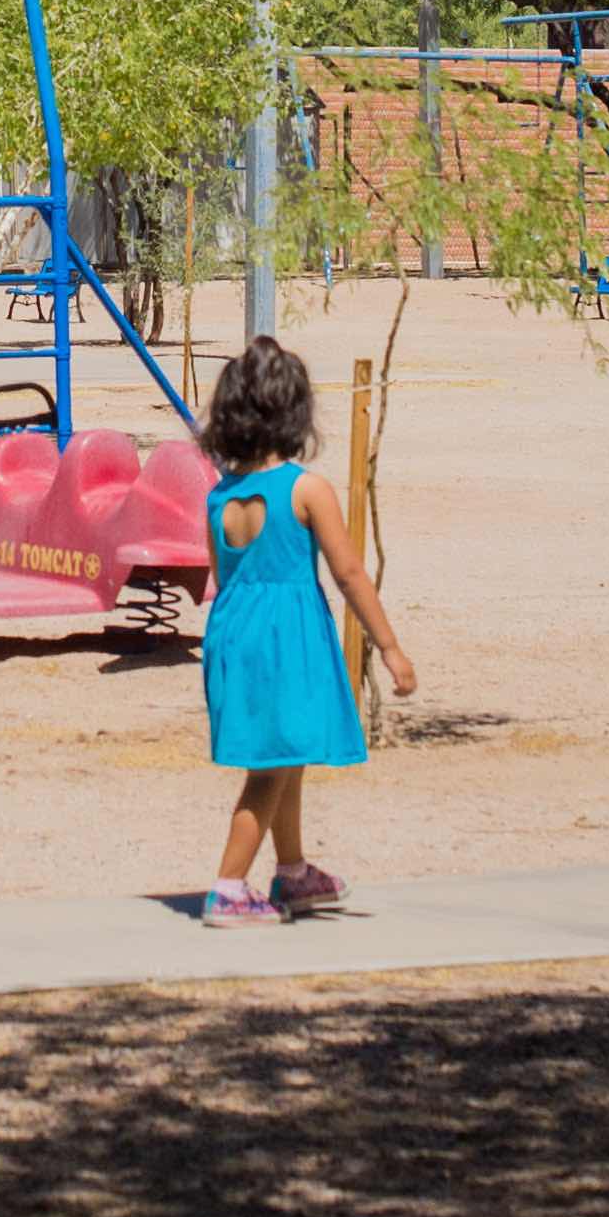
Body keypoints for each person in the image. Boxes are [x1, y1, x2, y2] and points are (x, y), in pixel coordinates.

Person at [190, 338, 415, 927]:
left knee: (283, 755)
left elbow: (222, 575)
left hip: (234, 633)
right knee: (270, 768)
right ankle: (229, 887)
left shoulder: (219, 497)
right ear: (295, 412)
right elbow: (348, 572)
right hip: (285, 638)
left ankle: (291, 871)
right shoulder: (305, 489)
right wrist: (388, 645)